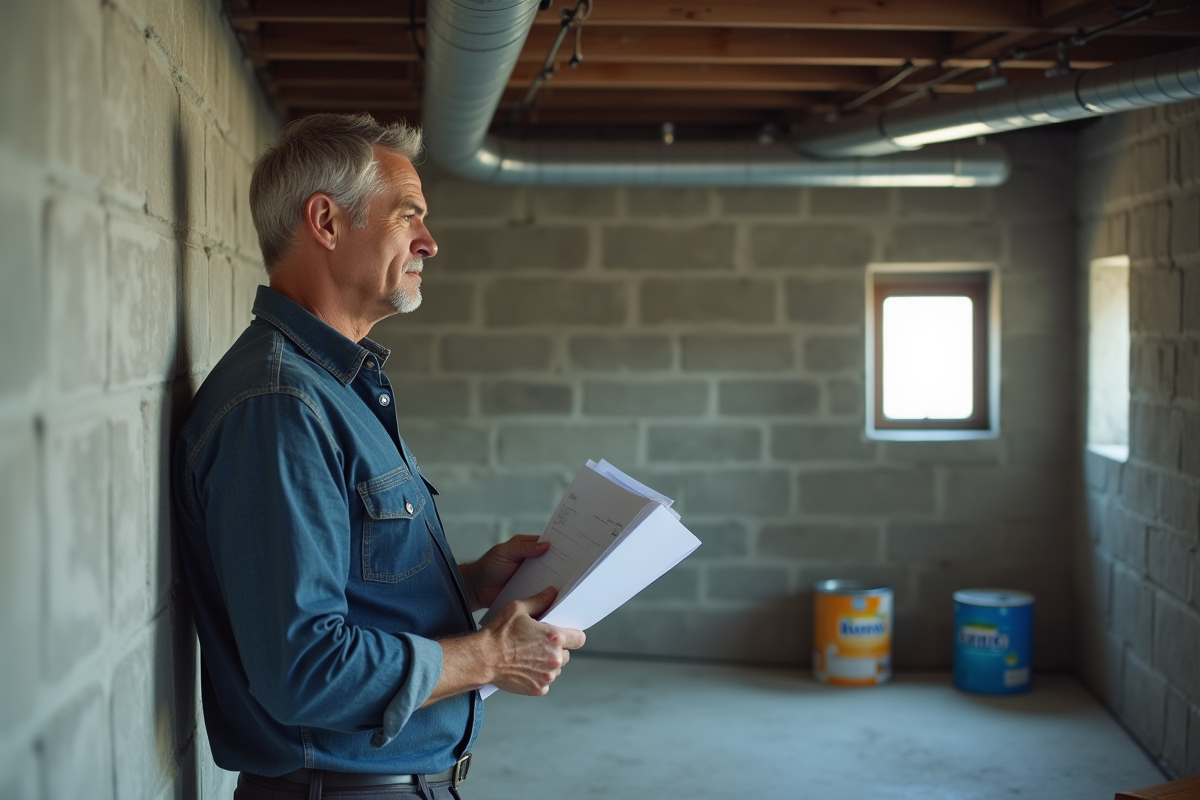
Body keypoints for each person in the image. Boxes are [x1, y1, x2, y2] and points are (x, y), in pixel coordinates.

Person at [172, 113, 586, 800]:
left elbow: (334, 575)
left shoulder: (330, 387)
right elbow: (304, 666)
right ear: (327, 223)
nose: (429, 241)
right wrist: (490, 654)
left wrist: (471, 583)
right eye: (408, 217)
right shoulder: (280, 408)